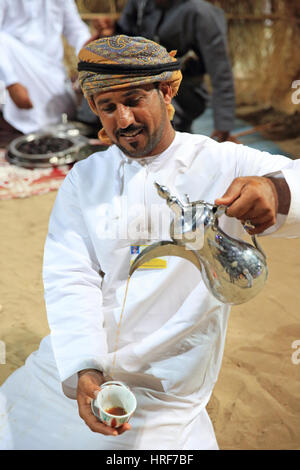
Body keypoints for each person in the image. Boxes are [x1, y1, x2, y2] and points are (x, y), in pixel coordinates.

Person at [0, 35, 300, 450]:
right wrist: (85, 370)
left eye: (134, 99)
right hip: (80, 366)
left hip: (166, 385)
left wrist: (276, 191)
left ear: (167, 91)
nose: (123, 120)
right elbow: (71, 276)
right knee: (13, 426)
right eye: (108, 107)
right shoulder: (85, 180)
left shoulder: (221, 162)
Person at [93, 0, 236, 142]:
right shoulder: (139, 4)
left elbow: (220, 70)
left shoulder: (201, 13)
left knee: (160, 137)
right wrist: (111, 32)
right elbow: (125, 40)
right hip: (140, 86)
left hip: (185, 92)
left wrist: (223, 125)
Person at [0, 0, 97, 136]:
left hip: (52, 68)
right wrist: (11, 82)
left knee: (63, 118)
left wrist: (90, 50)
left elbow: (76, 30)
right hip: (16, 65)